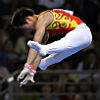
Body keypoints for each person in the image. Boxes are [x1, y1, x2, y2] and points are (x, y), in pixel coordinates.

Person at [11, 7, 92, 86]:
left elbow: (36, 44)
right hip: (81, 40)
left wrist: (27, 66)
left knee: (62, 43)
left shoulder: (43, 18)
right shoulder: (45, 28)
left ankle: (46, 49)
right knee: (58, 56)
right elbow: (38, 53)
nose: (27, 30)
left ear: (28, 19)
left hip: (81, 32)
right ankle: (44, 63)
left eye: (25, 28)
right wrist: (31, 72)